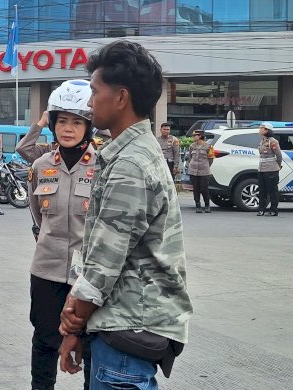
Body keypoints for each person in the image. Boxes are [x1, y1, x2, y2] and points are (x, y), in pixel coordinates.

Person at [57, 41, 192, 389]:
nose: (89, 103)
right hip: (121, 323)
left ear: (120, 98)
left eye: (94, 91)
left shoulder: (131, 164)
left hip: (130, 325)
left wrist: (72, 323)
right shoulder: (127, 154)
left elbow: (104, 261)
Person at [27, 80, 97, 390]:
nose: (68, 129)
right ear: (53, 124)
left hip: (90, 275)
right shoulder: (41, 166)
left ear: (89, 126)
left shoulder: (105, 165)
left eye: (77, 122)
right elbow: (37, 214)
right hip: (47, 270)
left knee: (92, 346)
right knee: (44, 340)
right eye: (62, 121)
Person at [256, 122, 283, 216]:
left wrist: (278, 165)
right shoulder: (262, 141)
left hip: (271, 168)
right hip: (262, 168)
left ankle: (273, 209)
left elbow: (279, 155)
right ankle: (261, 209)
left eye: (262, 128)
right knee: (262, 190)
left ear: (267, 130)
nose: (260, 130)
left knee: (272, 190)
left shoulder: (273, 141)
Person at [187, 130, 215, 214]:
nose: (193, 137)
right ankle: (198, 206)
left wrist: (206, 166)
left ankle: (207, 205)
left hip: (204, 171)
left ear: (200, 136)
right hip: (193, 170)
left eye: (195, 135)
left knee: (204, 189)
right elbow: (190, 157)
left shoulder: (209, 146)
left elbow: (211, 158)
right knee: (195, 189)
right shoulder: (192, 146)